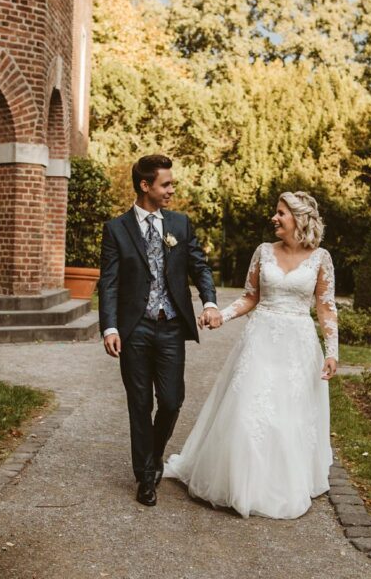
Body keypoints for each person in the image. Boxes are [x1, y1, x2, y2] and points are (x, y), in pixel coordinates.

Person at [163, 190, 339, 519]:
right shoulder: (263, 252)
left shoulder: (321, 258)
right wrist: (220, 316)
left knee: (289, 417)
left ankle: (279, 487)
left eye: (281, 213)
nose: (274, 218)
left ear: (299, 219)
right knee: (247, 411)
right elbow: (250, 297)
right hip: (260, 341)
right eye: (276, 212)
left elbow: (326, 308)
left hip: (297, 346)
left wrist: (332, 352)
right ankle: (237, 484)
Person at [98, 153, 222, 507]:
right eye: (165, 184)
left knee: (170, 400)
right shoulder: (116, 229)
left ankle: (154, 454)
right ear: (145, 185)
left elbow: (200, 266)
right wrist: (109, 327)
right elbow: (109, 283)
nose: (172, 189)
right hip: (134, 329)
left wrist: (209, 302)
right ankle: (146, 476)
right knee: (139, 404)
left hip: (170, 327)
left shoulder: (180, 225)